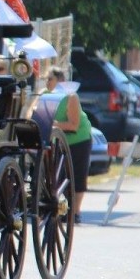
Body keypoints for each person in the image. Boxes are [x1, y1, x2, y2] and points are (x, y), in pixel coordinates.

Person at [45, 66, 91, 223]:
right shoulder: (46, 96)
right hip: (58, 141)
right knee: (58, 177)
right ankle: (59, 207)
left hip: (78, 139)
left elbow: (73, 125)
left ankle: (76, 212)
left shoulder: (70, 97)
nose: (47, 82)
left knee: (77, 176)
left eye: (50, 79)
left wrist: (53, 124)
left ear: (60, 81)